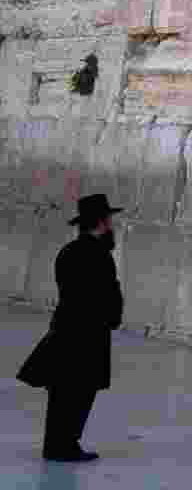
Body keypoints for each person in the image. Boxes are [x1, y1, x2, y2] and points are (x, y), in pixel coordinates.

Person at [17, 194, 124, 462]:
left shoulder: (67, 252)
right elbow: (106, 298)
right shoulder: (99, 255)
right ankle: (65, 446)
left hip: (64, 330)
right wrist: (112, 315)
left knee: (61, 392)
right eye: (109, 220)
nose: (112, 226)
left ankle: (55, 445)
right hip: (87, 335)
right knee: (80, 393)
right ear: (101, 222)